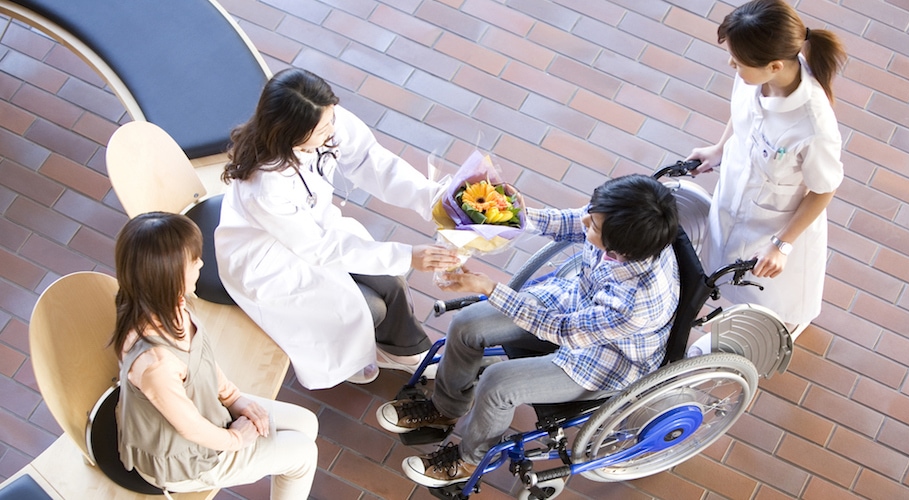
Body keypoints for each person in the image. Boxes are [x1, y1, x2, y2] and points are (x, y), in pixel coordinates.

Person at [377, 174, 681, 487]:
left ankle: (471, 459)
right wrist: (512, 213)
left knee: (497, 385)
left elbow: (562, 331)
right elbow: (569, 223)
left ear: (621, 250)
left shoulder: (638, 302)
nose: (586, 219)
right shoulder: (616, 224)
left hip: (606, 358)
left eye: (594, 225)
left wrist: (489, 288)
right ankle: (445, 408)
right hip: (576, 302)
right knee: (467, 324)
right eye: (593, 209)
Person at [215, 68, 460, 389]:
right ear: (292, 133)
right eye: (324, 127)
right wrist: (408, 255)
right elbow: (319, 249)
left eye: (332, 118)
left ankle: (408, 352)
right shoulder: (266, 187)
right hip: (269, 261)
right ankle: (362, 354)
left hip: (315, 234)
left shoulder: (322, 119)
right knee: (366, 309)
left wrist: (436, 199)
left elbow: (373, 163)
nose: (333, 130)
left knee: (392, 282)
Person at [112, 212, 318, 498]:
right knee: (303, 454)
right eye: (193, 260)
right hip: (184, 458)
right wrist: (236, 438)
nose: (201, 264)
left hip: (206, 411)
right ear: (167, 276)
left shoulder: (167, 303)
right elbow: (190, 428)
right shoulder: (155, 364)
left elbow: (202, 360)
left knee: (307, 424)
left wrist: (235, 398)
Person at [686, 0, 846, 344]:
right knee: (724, 261)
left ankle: (783, 327)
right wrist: (718, 148)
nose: (732, 64)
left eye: (738, 61)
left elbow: (824, 190)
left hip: (777, 221)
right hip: (736, 189)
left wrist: (782, 245)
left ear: (774, 66)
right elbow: (744, 115)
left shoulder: (813, 126)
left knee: (771, 291)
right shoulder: (752, 74)